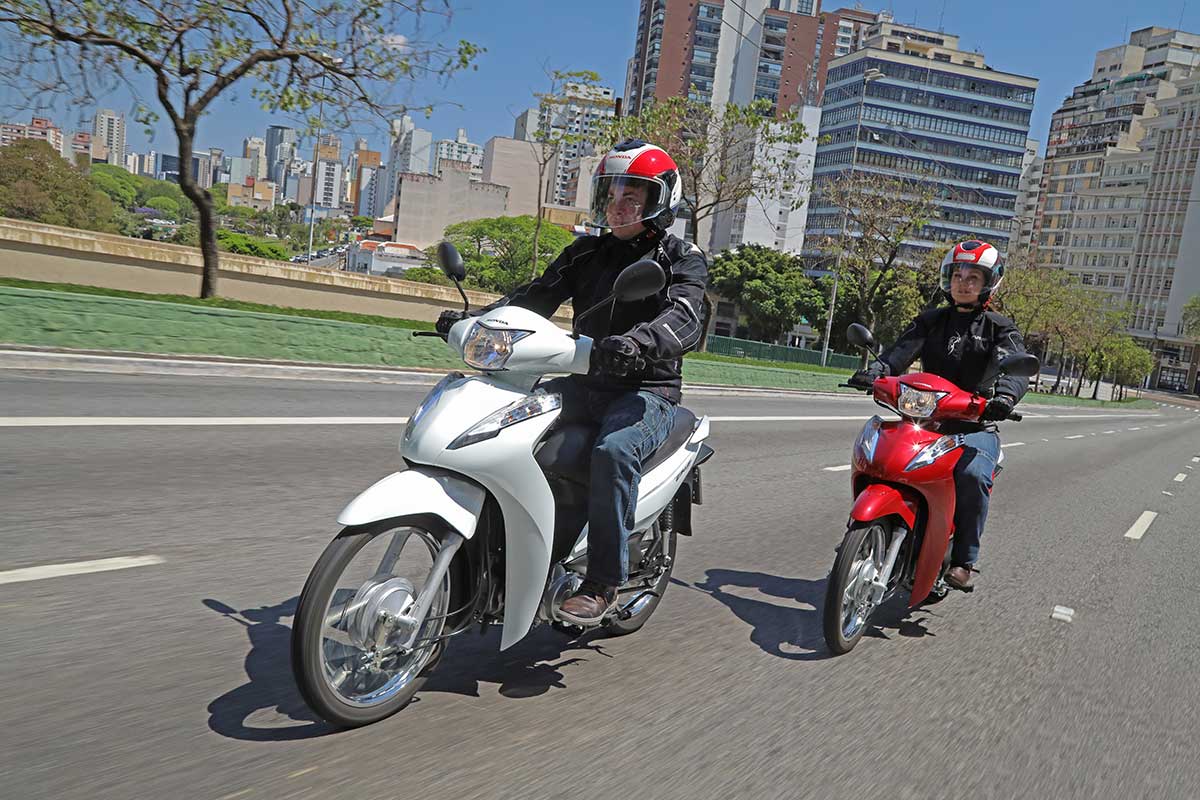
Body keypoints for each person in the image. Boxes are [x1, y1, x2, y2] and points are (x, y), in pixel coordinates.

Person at [436, 140, 708, 624]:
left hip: (646, 391)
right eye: (611, 192)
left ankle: (603, 581)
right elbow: (534, 297)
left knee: (614, 452)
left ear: (659, 200)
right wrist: (475, 320)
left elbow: (686, 317)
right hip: (584, 381)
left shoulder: (680, 258)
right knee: (499, 429)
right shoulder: (585, 252)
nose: (617, 204)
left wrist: (640, 342)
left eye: (632, 195)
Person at [848, 240, 1028, 590]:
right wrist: (875, 371)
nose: (964, 282)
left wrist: (1005, 397)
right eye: (957, 274)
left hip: (974, 424)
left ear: (989, 283)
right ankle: (868, 531)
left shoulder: (999, 328)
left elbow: (1016, 369)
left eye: (973, 277)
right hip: (926, 420)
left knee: (974, 474)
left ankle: (964, 560)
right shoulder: (930, 320)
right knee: (881, 457)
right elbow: (899, 353)